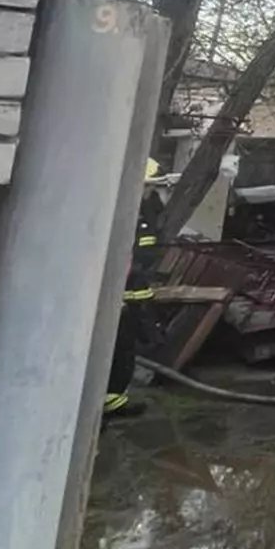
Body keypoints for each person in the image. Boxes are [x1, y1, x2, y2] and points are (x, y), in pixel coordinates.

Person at [106, 158, 165, 420]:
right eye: (148, 186)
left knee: (124, 353)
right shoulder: (126, 213)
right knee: (117, 352)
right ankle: (106, 404)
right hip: (122, 298)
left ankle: (112, 402)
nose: (151, 191)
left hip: (131, 296)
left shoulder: (143, 211)